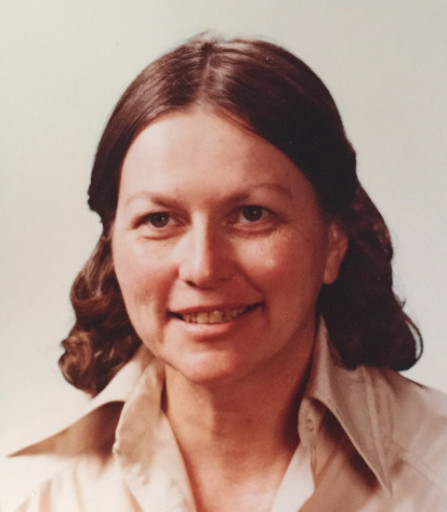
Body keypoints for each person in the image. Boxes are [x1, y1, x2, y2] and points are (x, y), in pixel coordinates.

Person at [1, 35, 446, 512]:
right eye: (159, 220)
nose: (203, 267)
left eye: (252, 215)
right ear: (111, 245)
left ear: (334, 243)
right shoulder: (21, 491)